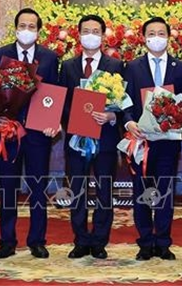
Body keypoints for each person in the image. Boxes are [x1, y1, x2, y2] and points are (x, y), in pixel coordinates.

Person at [0, 8, 59, 259]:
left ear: (38, 31)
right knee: (8, 187)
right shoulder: (0, 55)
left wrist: (54, 121)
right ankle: (7, 241)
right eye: (22, 26)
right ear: (16, 28)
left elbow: (54, 93)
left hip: (38, 133)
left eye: (31, 26)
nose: (26, 30)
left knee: (38, 187)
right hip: (8, 131)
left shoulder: (49, 58)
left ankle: (37, 240)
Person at [123, 17, 182, 261]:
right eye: (152, 33)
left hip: (168, 141)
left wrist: (179, 118)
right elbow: (125, 100)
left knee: (164, 192)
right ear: (143, 38)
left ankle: (162, 242)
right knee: (141, 192)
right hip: (141, 141)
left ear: (169, 37)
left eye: (161, 33)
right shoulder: (132, 67)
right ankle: (145, 242)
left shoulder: (180, 67)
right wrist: (129, 122)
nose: (157, 37)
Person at [59, 14, 124, 260]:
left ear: (103, 36)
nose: (91, 35)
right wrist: (76, 119)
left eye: (96, 31)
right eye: (86, 31)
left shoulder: (115, 65)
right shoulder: (68, 66)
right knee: (77, 191)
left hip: (105, 140)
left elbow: (123, 102)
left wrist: (111, 116)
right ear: (78, 35)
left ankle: (99, 240)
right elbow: (63, 103)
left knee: (105, 191)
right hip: (77, 140)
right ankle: (80, 240)